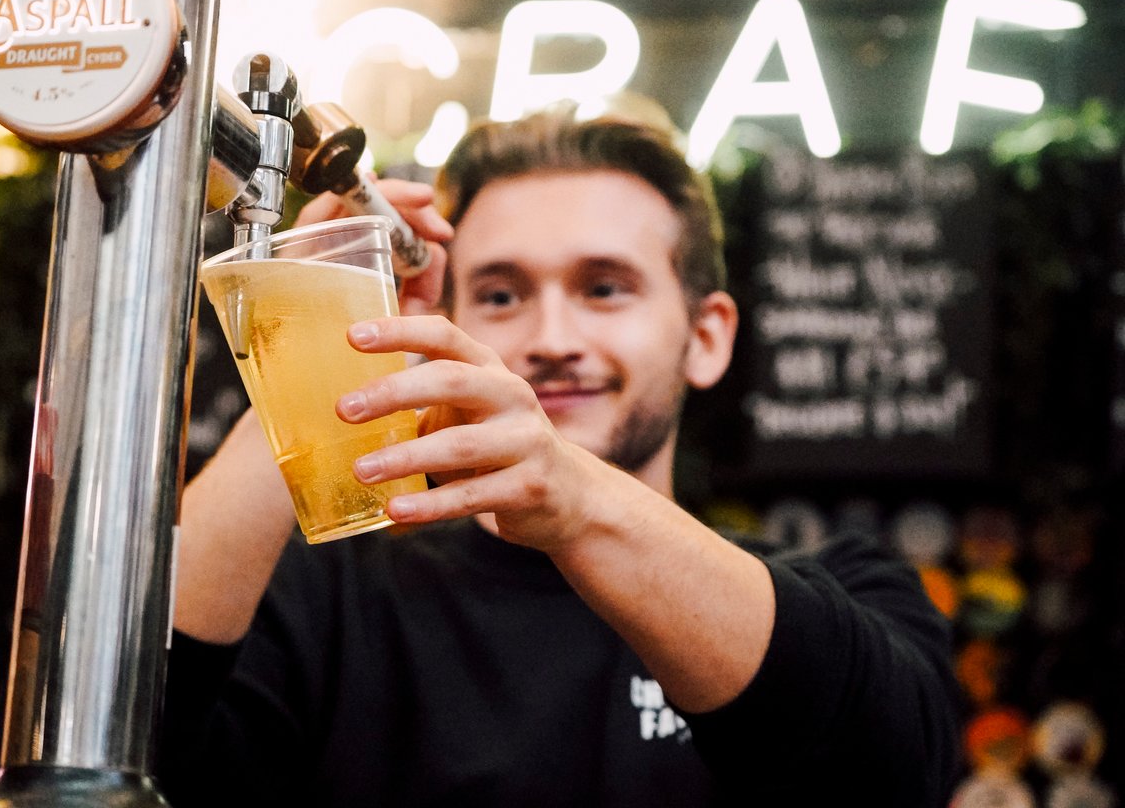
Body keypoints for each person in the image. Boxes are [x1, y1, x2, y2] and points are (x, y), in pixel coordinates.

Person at [157, 107, 959, 806]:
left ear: (706, 336)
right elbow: (142, 740)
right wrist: (316, 339)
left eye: (605, 288)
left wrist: (574, 499)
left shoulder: (851, 587)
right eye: (501, 296)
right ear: (441, 318)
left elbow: (890, 774)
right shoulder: (335, 601)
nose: (549, 342)